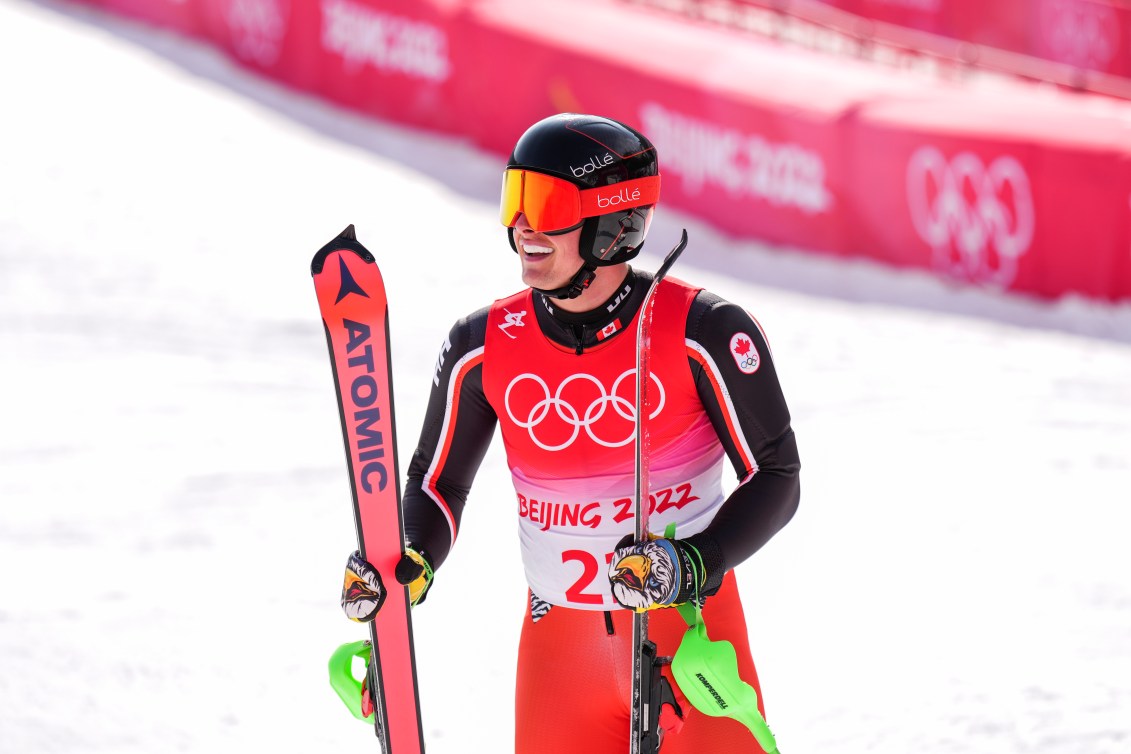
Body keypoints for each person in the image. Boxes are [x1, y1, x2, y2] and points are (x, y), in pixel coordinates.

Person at [341, 112, 801, 753]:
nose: (521, 226)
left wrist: (692, 563)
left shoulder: (704, 331)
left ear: (613, 222)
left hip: (688, 636)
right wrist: (410, 557)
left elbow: (777, 476)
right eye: (515, 199)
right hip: (560, 651)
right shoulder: (482, 346)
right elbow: (437, 482)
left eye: (547, 204)